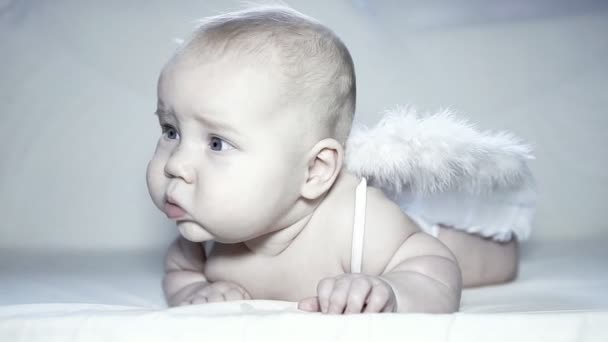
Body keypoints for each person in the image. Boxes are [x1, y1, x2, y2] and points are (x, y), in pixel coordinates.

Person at [146, 5, 524, 314]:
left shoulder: (359, 219)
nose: (175, 165)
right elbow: (179, 270)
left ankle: (501, 247)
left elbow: (436, 271)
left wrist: (393, 291)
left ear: (314, 170)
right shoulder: (202, 231)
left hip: (419, 233)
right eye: (171, 131)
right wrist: (194, 290)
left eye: (216, 143)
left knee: (488, 260)